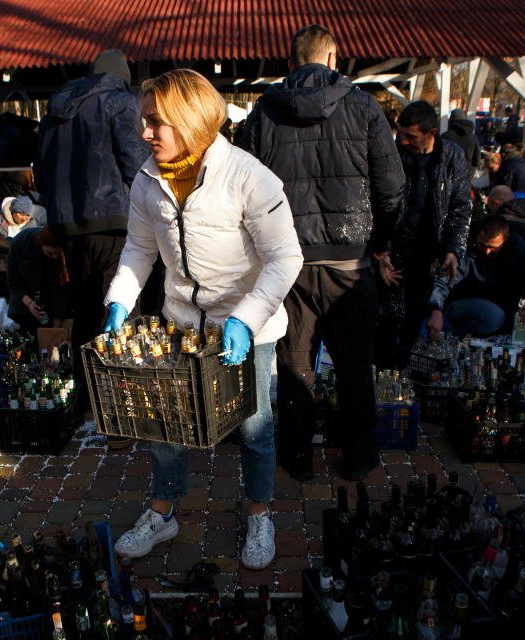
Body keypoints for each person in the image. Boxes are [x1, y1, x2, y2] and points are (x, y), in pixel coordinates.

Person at [104, 69, 302, 569]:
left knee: (254, 428)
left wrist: (245, 318)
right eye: (144, 122)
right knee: (167, 423)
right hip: (180, 323)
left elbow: (285, 257)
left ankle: (258, 512)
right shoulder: (148, 179)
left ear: (190, 120)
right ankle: (162, 510)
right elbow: (138, 250)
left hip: (247, 326)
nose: (145, 133)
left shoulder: (249, 177)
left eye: (155, 122)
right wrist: (120, 301)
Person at [236, 24, 405, 481]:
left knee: (295, 365)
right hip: (350, 259)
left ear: (291, 64)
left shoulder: (262, 113)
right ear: (334, 58)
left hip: (289, 260)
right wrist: (380, 244)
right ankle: (359, 455)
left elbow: (241, 190)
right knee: (354, 365)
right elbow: (391, 188)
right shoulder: (364, 106)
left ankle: (296, 458)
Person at [36, 48, 148, 414]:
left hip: (69, 225)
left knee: (84, 309)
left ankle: (87, 395)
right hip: (113, 219)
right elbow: (134, 159)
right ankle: (119, 397)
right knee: (118, 305)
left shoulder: (54, 110)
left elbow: (41, 168)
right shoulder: (119, 101)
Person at [377, 100, 471, 367]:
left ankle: (402, 375)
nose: (403, 141)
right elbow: (376, 204)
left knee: (416, 317)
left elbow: (461, 207)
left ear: (431, 134)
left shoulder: (451, 156)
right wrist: (380, 251)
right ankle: (385, 374)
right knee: (387, 321)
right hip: (395, 249)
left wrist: (453, 250)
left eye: (410, 135)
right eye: (401, 133)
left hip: (430, 249)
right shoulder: (393, 154)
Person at [427, 215, 525, 337]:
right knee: (494, 316)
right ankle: (457, 334)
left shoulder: (516, 244)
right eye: (482, 245)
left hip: (501, 296)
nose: (486, 251)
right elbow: (442, 282)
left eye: (492, 248)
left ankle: (518, 324)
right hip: (467, 301)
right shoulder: (465, 248)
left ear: (505, 239)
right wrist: (436, 309)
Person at [7, 226, 70, 330]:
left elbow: (63, 287)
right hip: (25, 302)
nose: (54, 257)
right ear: (41, 244)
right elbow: (13, 281)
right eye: (50, 253)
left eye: (57, 254)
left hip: (51, 302)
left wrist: (57, 319)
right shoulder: (21, 243)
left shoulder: (64, 254)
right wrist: (29, 303)